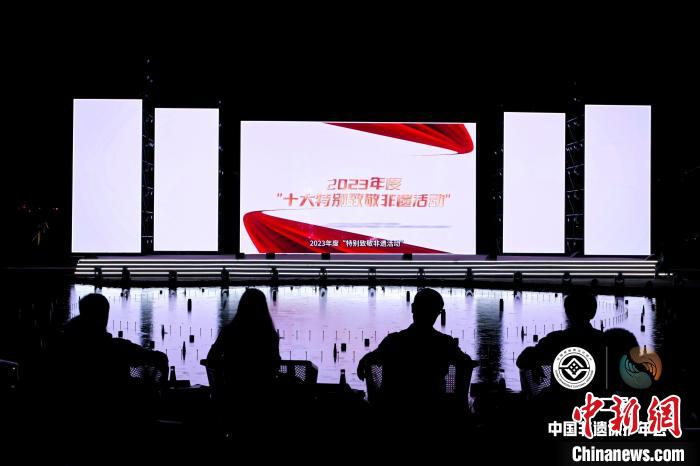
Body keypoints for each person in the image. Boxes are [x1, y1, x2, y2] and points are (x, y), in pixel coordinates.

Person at [357, 288, 474, 412]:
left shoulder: (392, 341)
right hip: (437, 407)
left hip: (394, 406)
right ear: (437, 314)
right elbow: (466, 363)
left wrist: (365, 359)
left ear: (413, 308)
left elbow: (371, 359)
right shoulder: (446, 344)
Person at [207, 288, 281, 398]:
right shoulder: (269, 335)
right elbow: (275, 363)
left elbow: (211, 358)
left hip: (233, 390)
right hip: (264, 391)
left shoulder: (228, 332)